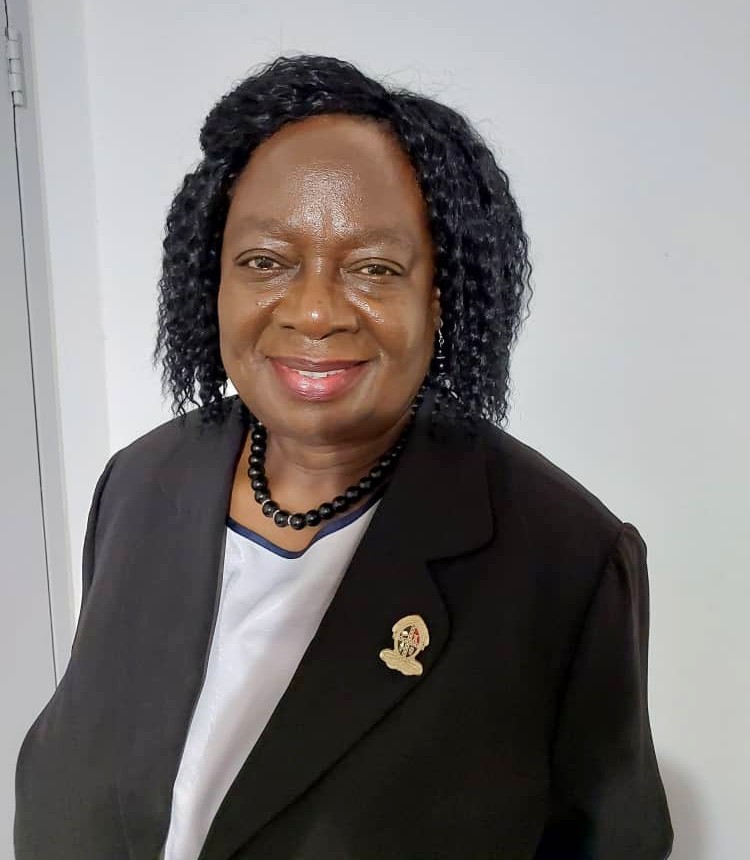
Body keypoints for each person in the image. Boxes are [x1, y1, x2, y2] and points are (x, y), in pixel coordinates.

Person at [14, 55, 673, 859]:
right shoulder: (141, 483)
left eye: (374, 269)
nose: (316, 311)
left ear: (440, 297)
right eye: (265, 262)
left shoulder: (564, 559)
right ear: (212, 277)